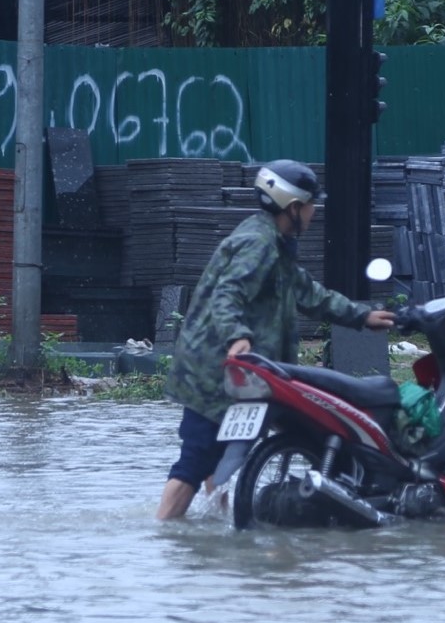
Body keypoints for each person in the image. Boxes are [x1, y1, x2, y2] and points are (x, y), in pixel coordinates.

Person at [155, 159, 396, 520]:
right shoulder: (259, 244)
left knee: (213, 456)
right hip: (213, 373)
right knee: (195, 459)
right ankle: (163, 535)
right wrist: (238, 337)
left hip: (236, 372)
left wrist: (362, 316)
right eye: (312, 204)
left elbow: (309, 293)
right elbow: (227, 293)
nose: (315, 212)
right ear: (294, 207)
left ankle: (208, 529)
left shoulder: (272, 242)